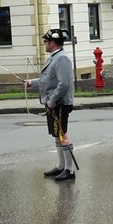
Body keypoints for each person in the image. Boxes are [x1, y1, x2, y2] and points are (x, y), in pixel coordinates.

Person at [26, 29, 77, 181]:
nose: (44, 44)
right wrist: (31, 83)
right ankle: (61, 166)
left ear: (53, 43)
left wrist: (52, 101)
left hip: (59, 103)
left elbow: (64, 84)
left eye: (46, 42)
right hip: (53, 103)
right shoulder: (54, 57)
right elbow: (48, 79)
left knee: (62, 134)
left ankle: (69, 169)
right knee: (57, 134)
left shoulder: (62, 59)